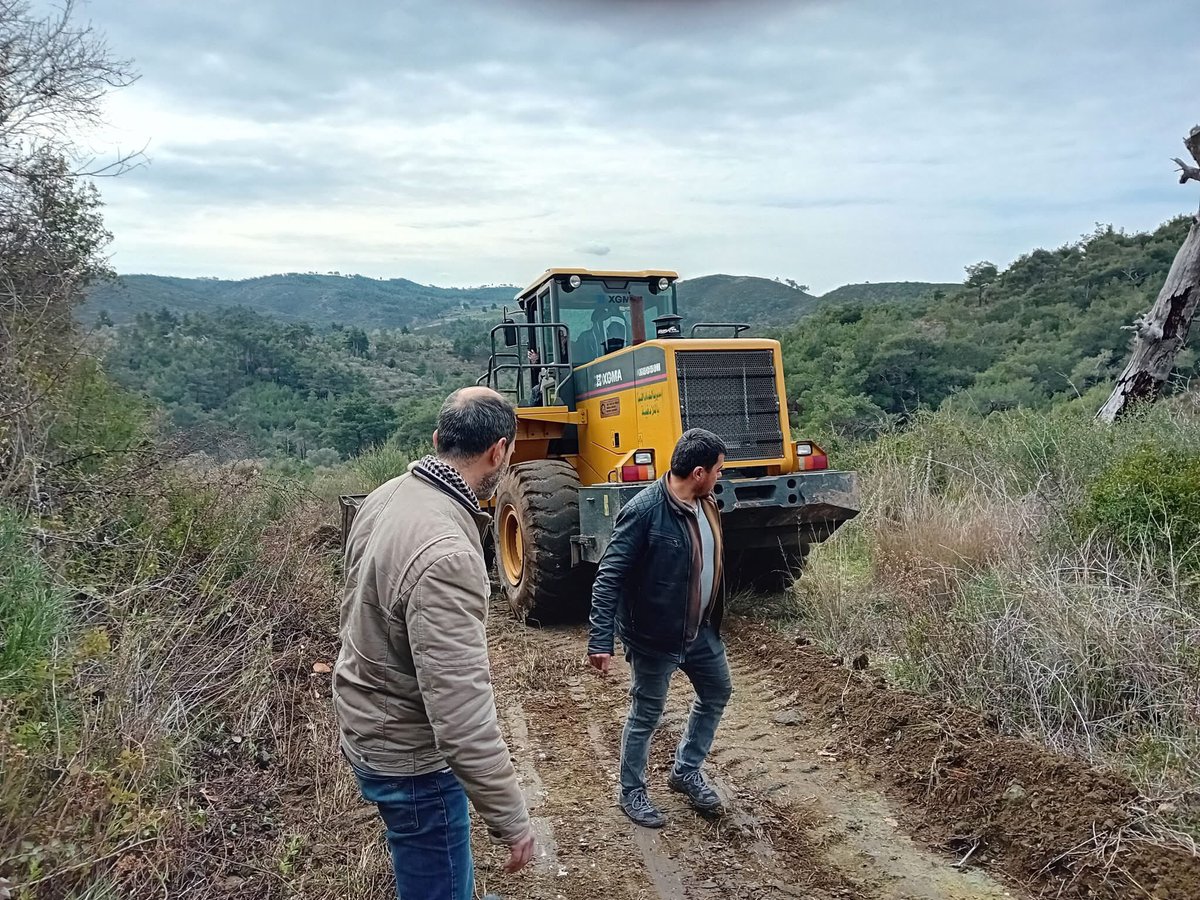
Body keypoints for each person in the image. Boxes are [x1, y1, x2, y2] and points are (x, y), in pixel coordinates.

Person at [333, 386, 536, 899]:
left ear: (436, 439)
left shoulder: (385, 496)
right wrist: (511, 818)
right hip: (410, 758)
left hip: (368, 717)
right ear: (499, 451)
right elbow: (460, 715)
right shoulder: (448, 554)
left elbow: (355, 604)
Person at [587, 428, 732, 829]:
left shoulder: (707, 502)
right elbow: (609, 576)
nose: (721, 476)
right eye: (718, 470)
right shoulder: (644, 510)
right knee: (647, 713)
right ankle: (631, 791)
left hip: (700, 631)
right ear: (699, 472)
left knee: (717, 691)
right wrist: (600, 638)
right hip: (654, 636)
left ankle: (686, 771)